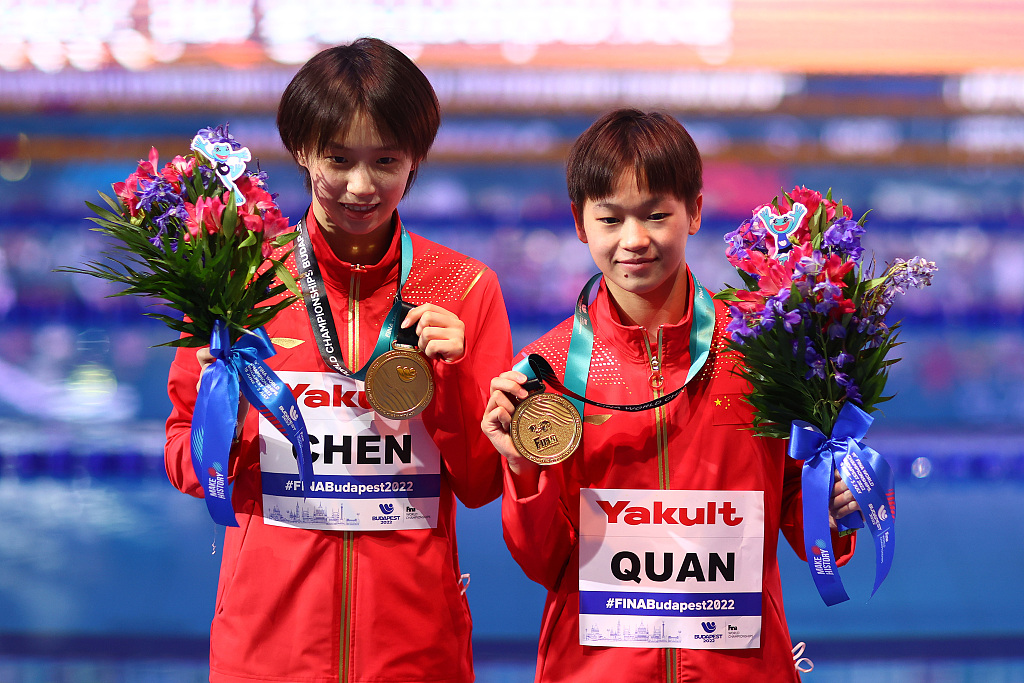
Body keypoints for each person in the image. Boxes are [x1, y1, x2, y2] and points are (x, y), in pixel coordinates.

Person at [164, 38, 512, 683]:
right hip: (268, 647)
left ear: (416, 160)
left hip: (415, 651)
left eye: (386, 160)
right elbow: (184, 455)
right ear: (301, 152)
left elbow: (483, 483)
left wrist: (457, 382)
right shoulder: (238, 280)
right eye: (338, 159)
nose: (361, 186)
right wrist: (234, 418)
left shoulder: (465, 289)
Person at [481, 109, 859, 682]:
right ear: (581, 224)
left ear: (696, 211)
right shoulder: (546, 372)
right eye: (610, 219)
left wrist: (841, 503)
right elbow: (542, 561)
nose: (634, 240)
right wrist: (523, 471)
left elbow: (804, 519)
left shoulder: (764, 351)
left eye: (657, 215)